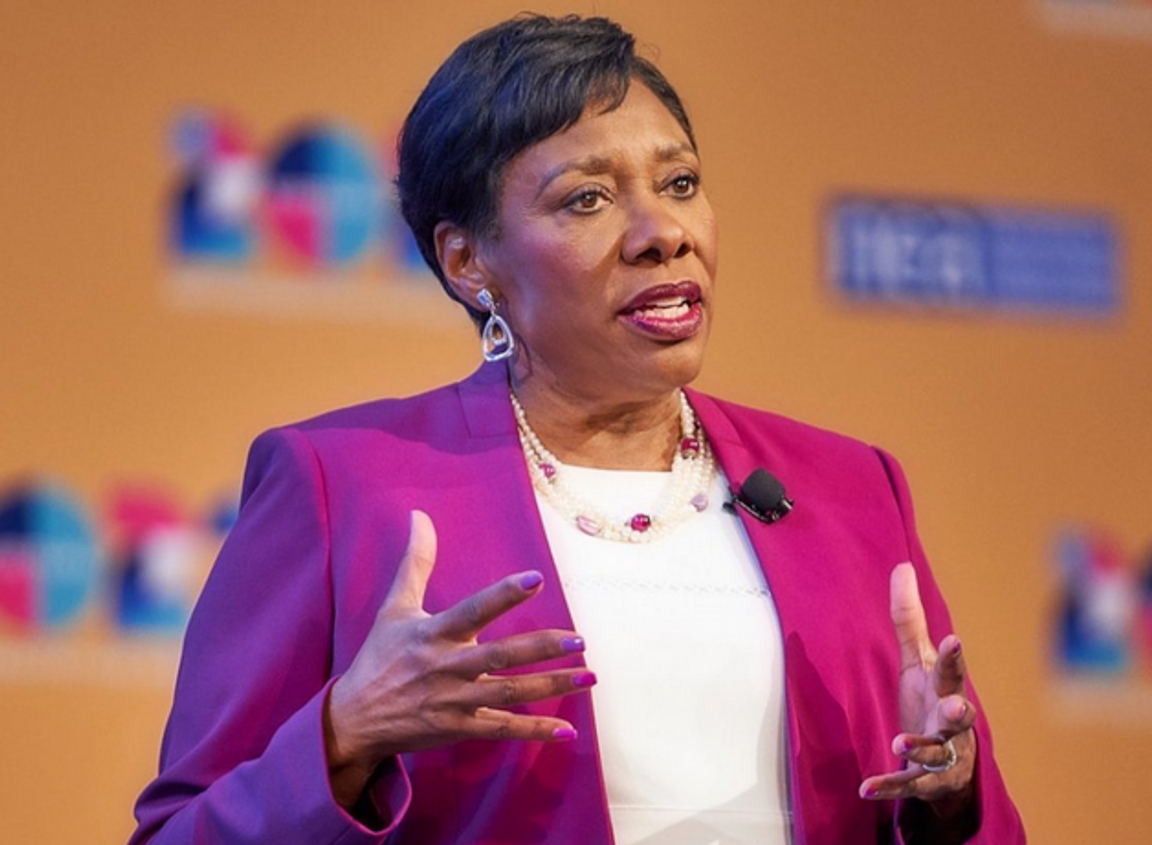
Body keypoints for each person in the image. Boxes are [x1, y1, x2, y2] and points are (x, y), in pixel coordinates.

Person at [130, 14, 1024, 845]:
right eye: (587, 200)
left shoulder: (850, 488)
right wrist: (343, 733)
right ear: (468, 261)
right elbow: (181, 831)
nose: (662, 233)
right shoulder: (344, 485)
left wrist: (952, 792)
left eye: (680, 184)